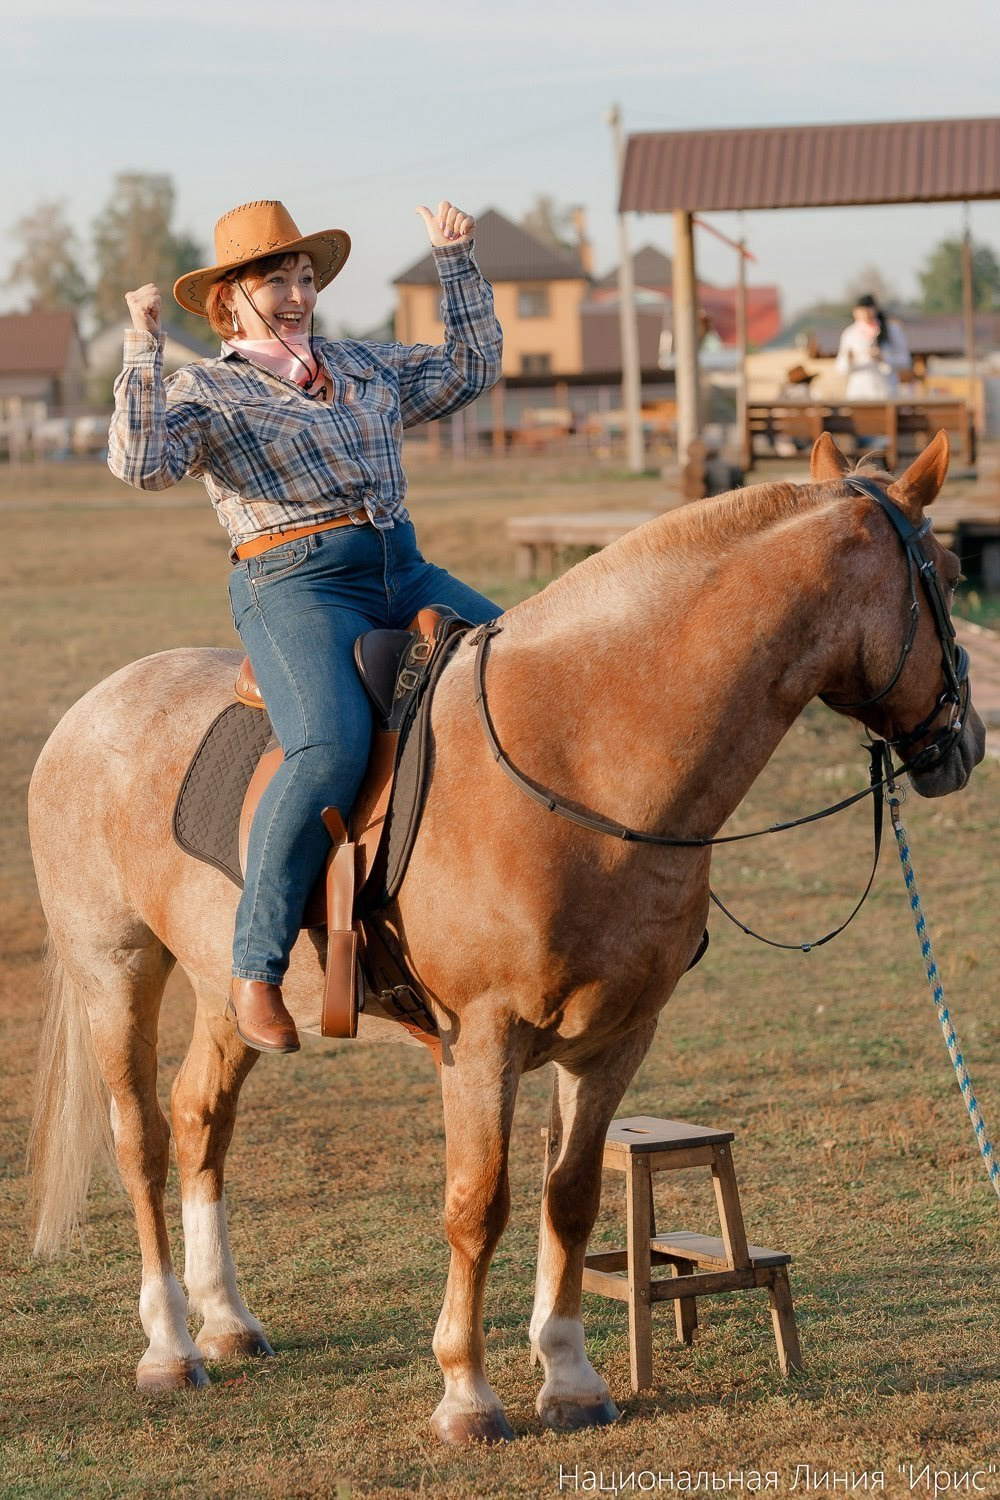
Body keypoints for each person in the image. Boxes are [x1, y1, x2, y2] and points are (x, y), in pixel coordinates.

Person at [109, 198, 503, 1054]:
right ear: (228, 301)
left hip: (403, 567)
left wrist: (456, 261)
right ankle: (256, 965)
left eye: (304, 277)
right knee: (328, 744)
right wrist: (141, 347)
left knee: (529, 670)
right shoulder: (202, 388)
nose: (296, 294)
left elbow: (471, 371)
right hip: (295, 581)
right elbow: (142, 467)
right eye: (274, 279)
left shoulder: (362, 365)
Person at [835, 294, 910, 399]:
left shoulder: (891, 331)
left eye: (868, 309)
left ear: (874, 309)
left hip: (885, 391)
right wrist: (849, 360)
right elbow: (840, 367)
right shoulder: (849, 334)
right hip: (859, 393)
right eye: (861, 310)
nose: (865, 313)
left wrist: (883, 358)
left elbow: (905, 361)